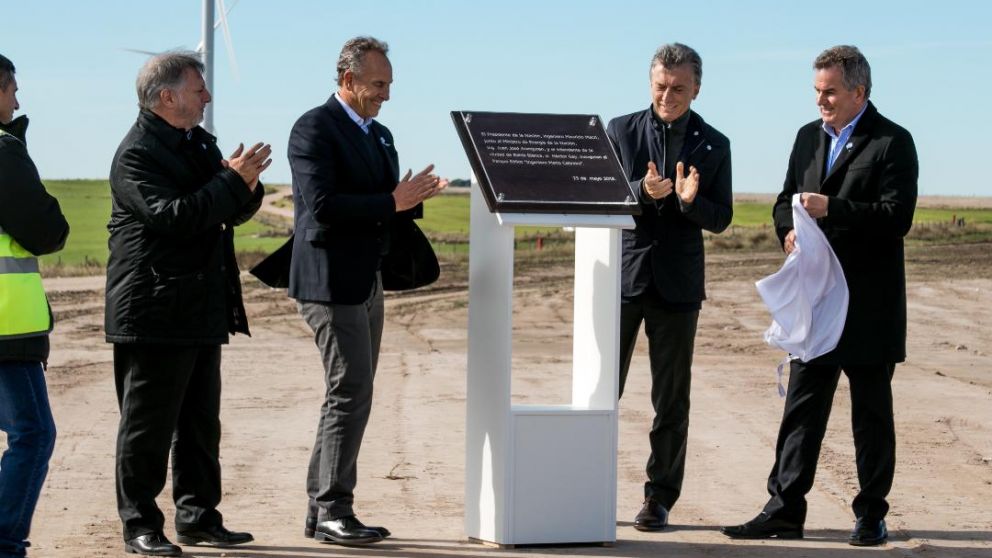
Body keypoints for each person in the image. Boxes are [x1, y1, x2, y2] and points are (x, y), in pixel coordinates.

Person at [721, 45, 917, 547]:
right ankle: (784, 510)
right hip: (815, 303)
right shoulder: (807, 137)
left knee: (871, 416)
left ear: (859, 92)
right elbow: (783, 200)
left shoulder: (893, 141)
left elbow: (897, 217)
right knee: (802, 410)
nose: (820, 101)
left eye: (829, 91)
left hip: (867, 305)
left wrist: (834, 208)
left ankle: (870, 515)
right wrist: (786, 231)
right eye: (816, 91)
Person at [106, 51, 271, 556]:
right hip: (152, 308)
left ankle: (198, 517)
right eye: (199, 90)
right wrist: (230, 182)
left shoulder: (198, 142)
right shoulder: (136, 155)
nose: (208, 98)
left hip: (200, 302)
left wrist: (246, 184)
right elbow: (174, 216)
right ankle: (140, 525)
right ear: (167, 96)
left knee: (200, 424)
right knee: (148, 427)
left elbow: (227, 209)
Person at [286, 36, 444, 546]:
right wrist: (393, 200)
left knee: (353, 390)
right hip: (329, 281)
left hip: (367, 279)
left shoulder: (381, 136)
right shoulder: (314, 128)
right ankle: (334, 507)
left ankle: (322, 510)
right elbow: (323, 205)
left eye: (389, 84)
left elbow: (384, 203)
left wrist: (412, 197)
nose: (386, 94)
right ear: (348, 79)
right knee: (350, 390)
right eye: (378, 84)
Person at [606, 43, 733, 531]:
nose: (668, 96)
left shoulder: (715, 144)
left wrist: (690, 202)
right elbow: (601, 198)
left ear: (696, 89)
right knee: (601, 392)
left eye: (679, 88)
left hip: (678, 287)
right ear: (650, 82)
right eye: (660, 86)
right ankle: (588, 486)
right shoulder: (619, 130)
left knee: (671, 401)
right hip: (623, 279)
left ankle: (658, 498)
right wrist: (640, 191)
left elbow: (721, 218)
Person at [0, 53, 70, 558]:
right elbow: (48, 231)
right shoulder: (3, 152)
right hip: (7, 326)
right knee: (33, 434)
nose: (17, 101)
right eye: (11, 90)